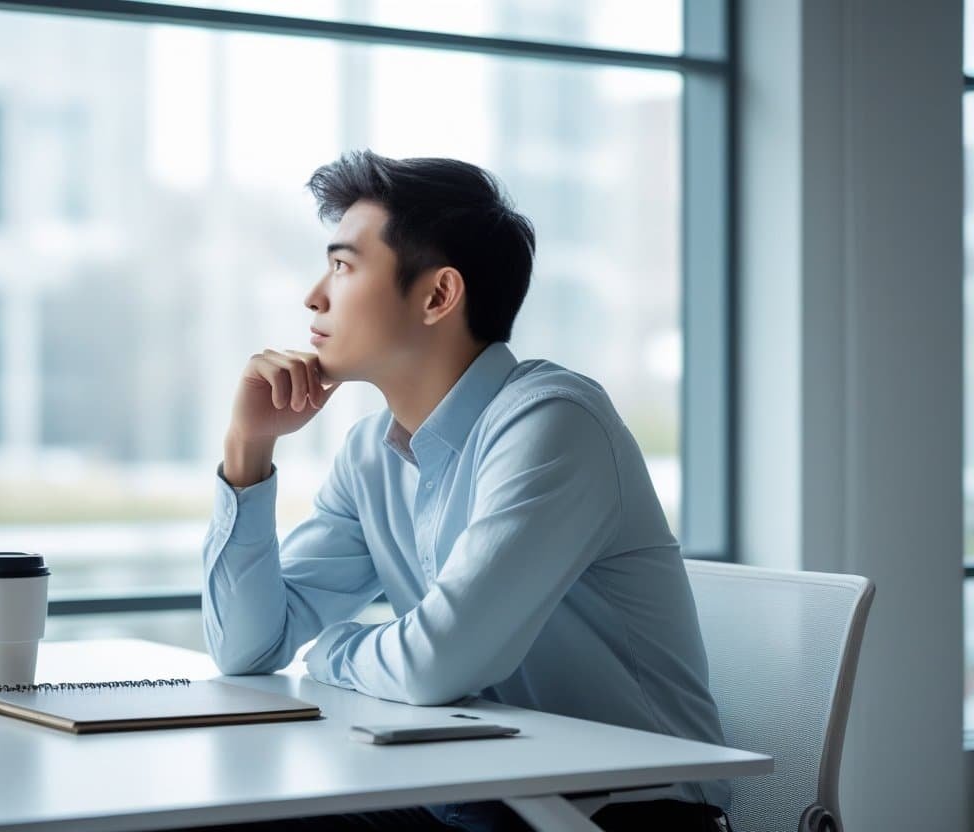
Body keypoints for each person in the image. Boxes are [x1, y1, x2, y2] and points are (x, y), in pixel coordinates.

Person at [194, 150, 732, 832]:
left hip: (625, 815)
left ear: (439, 295)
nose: (314, 297)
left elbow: (432, 666)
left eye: (342, 266)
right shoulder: (371, 455)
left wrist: (329, 649)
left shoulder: (554, 422)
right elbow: (246, 647)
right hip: (470, 798)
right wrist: (249, 449)